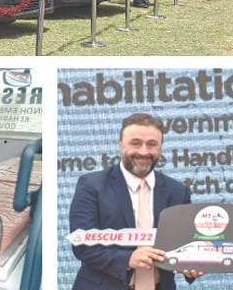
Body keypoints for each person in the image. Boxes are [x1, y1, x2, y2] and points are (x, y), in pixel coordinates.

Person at [69, 113, 199, 290]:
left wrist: (194, 264)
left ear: (160, 147)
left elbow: (185, 243)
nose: (144, 152)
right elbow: (82, 244)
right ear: (120, 143)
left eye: (152, 144)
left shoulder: (177, 191)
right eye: (135, 143)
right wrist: (128, 259)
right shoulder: (92, 186)